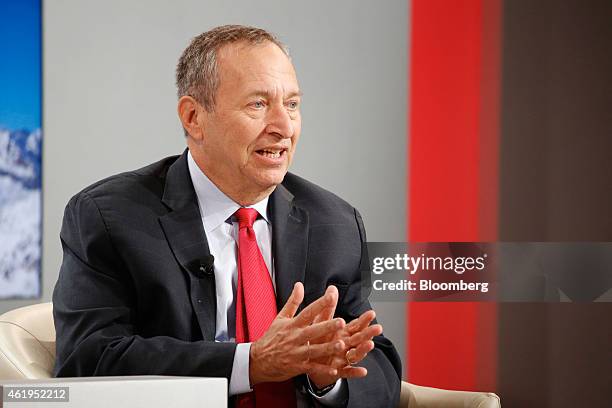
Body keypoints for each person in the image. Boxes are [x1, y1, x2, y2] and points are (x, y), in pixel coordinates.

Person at [53, 25, 401, 407]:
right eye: (257, 104)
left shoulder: (335, 223)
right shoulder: (110, 217)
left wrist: (326, 378)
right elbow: (89, 359)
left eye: (292, 105)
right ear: (193, 117)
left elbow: (378, 364)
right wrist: (249, 364)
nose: (283, 127)